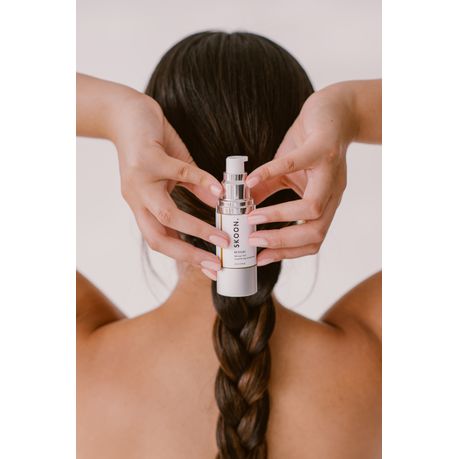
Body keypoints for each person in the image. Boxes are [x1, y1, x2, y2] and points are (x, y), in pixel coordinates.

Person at [77, 31, 381, 459]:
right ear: (308, 178)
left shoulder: (75, 355)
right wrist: (349, 109)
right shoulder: (374, 350)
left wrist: (116, 111)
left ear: (152, 181)